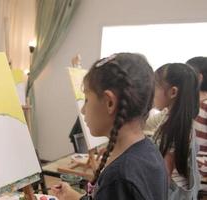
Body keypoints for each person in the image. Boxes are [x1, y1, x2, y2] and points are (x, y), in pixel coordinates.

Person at [52, 53, 168, 200]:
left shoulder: (119, 177)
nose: (82, 110)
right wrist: (75, 197)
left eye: (87, 100)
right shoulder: (148, 152)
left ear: (110, 103)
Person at [152, 63, 200, 199]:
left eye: (155, 87)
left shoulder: (174, 127)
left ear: (173, 92)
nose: (152, 92)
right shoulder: (180, 120)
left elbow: (164, 174)